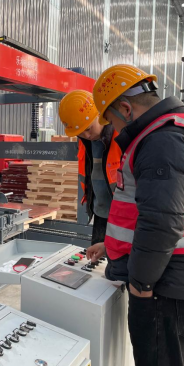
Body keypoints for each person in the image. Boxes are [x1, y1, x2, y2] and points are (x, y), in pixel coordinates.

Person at [90, 64, 184, 366]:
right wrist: (112, 245)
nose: (114, 130)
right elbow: (152, 210)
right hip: (175, 277)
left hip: (165, 285)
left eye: (112, 122)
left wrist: (141, 284)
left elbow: (162, 222)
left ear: (126, 109)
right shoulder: (170, 133)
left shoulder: (164, 141)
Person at [58, 90, 121, 250]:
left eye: (88, 128)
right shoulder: (85, 141)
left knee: (119, 259)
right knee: (98, 259)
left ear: (99, 115)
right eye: (80, 133)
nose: (86, 135)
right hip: (100, 213)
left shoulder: (120, 135)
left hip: (122, 216)